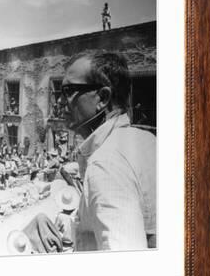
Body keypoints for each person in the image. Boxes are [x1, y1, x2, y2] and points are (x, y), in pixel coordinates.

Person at [61, 51, 156, 251]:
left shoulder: (106, 162)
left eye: (69, 91)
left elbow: (123, 268)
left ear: (102, 98)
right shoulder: (148, 140)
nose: (61, 101)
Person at [54, 186, 80, 252]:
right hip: (75, 243)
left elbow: (55, 230)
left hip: (64, 244)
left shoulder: (60, 216)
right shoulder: (76, 214)